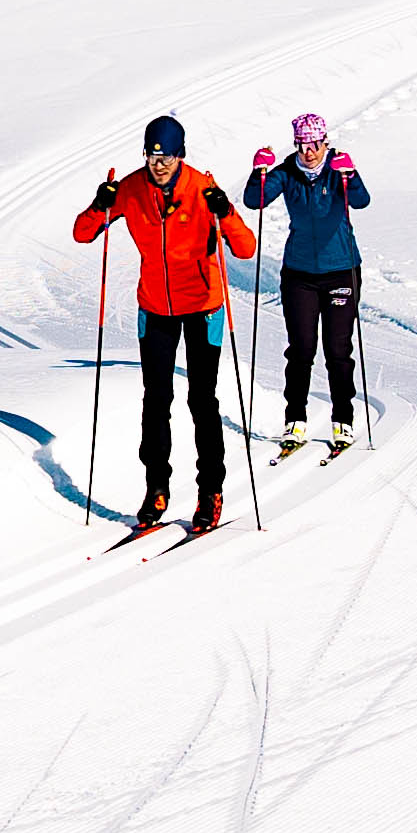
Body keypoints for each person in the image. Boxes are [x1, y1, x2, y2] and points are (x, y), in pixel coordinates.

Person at [72, 116, 250, 534]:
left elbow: (245, 248)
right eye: (152, 157)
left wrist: (225, 212)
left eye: (166, 157)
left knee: (201, 401)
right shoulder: (131, 189)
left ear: (180, 155)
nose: (159, 165)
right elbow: (82, 234)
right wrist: (99, 206)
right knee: (156, 401)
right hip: (154, 307)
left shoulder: (202, 189)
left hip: (204, 306)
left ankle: (210, 491)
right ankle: (156, 489)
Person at [247, 108, 369, 447]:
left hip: (341, 269)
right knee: (301, 349)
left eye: (315, 144)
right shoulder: (288, 172)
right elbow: (254, 200)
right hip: (299, 274)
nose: (309, 152)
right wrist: (259, 172)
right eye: (302, 145)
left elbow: (361, 201)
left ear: (325, 142)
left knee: (338, 350)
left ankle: (343, 419)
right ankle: (295, 419)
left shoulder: (338, 169)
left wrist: (351, 175)